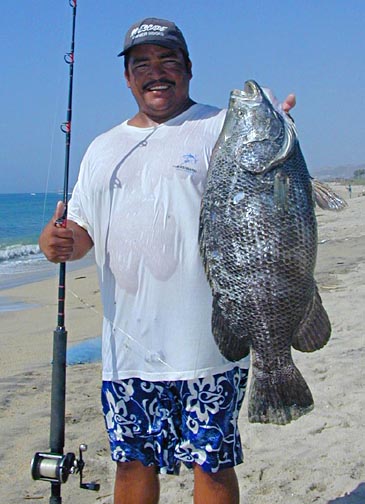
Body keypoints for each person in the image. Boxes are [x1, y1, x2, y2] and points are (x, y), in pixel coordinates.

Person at [39, 18, 296, 504]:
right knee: (132, 465)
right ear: (128, 78)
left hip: (210, 345)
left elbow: (272, 197)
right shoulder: (101, 149)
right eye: (143, 65)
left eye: (168, 62)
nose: (156, 74)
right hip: (127, 351)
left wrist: (280, 132)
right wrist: (59, 242)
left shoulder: (222, 127)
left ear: (189, 70)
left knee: (212, 466)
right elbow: (84, 231)